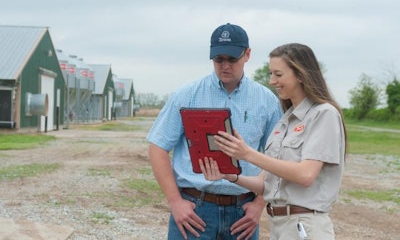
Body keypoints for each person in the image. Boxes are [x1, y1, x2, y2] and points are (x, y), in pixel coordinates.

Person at [146, 23, 282, 240]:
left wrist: (258, 205)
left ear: (247, 55)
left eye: (232, 59)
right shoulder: (186, 95)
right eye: (219, 59)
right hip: (195, 210)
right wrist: (175, 202)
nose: (225, 66)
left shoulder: (267, 101)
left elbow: (277, 156)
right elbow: (157, 147)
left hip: (242, 213)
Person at [200, 43, 347, 240]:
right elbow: (265, 184)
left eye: (278, 75)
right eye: (271, 74)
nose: (272, 81)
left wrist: (247, 154)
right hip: (280, 227)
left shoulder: (323, 114)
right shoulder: (285, 121)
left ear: (301, 75)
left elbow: (306, 175)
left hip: (306, 227)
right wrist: (230, 175)